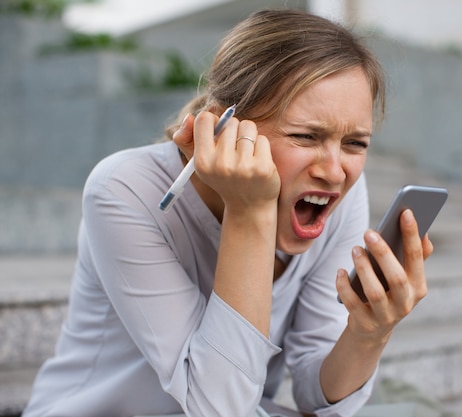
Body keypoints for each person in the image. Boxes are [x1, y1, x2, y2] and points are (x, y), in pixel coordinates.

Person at [23, 8, 433, 417]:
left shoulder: (341, 196)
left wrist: (368, 334)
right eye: (306, 136)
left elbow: (315, 394)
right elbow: (220, 408)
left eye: (355, 144)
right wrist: (249, 209)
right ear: (224, 127)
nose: (334, 171)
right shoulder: (124, 189)